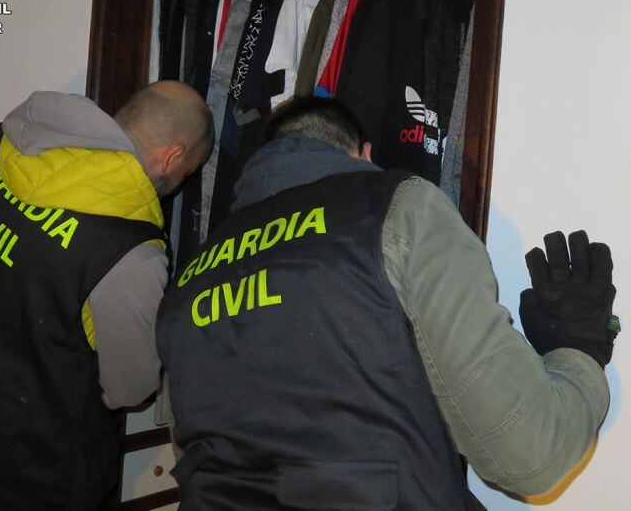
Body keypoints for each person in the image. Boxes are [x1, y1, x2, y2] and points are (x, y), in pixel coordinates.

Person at [156, 97, 618, 510]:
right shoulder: (400, 210)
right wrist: (578, 348)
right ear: (365, 154)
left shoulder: (189, 274)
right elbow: (529, 456)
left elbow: (194, 445)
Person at [0, 81, 214, 510]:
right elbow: (130, 388)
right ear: (172, 156)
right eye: (187, 173)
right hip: (11, 481)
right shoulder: (129, 250)